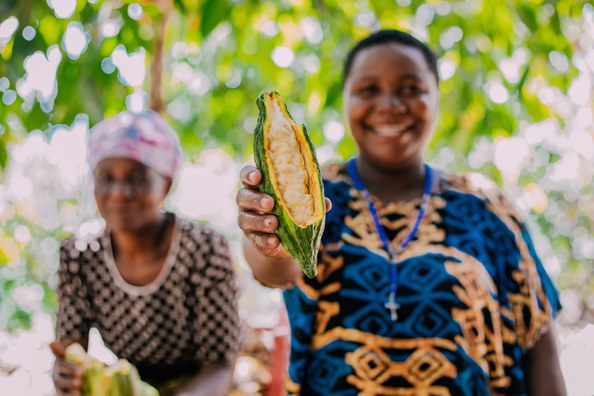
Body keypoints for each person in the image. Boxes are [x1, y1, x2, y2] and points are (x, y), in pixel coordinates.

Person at [236, 29, 566, 395]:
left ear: (436, 97)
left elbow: (539, 340)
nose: (390, 104)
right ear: (345, 99)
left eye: (411, 89)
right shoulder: (317, 194)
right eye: (368, 90)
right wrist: (272, 241)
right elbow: (274, 271)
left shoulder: (486, 207)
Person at [51, 110, 241, 396]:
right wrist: (66, 375)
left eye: (137, 177)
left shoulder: (204, 249)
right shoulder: (79, 254)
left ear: (165, 184)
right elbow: (70, 350)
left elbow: (220, 366)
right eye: (106, 177)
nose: (119, 192)